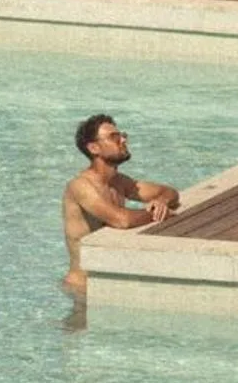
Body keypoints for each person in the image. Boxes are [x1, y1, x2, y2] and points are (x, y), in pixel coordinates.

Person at [61, 114, 180, 295]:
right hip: (82, 288)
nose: (123, 140)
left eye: (122, 135)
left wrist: (161, 203)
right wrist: (159, 214)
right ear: (94, 148)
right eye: (114, 137)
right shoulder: (81, 186)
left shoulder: (119, 182)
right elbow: (121, 220)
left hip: (107, 283)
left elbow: (170, 192)